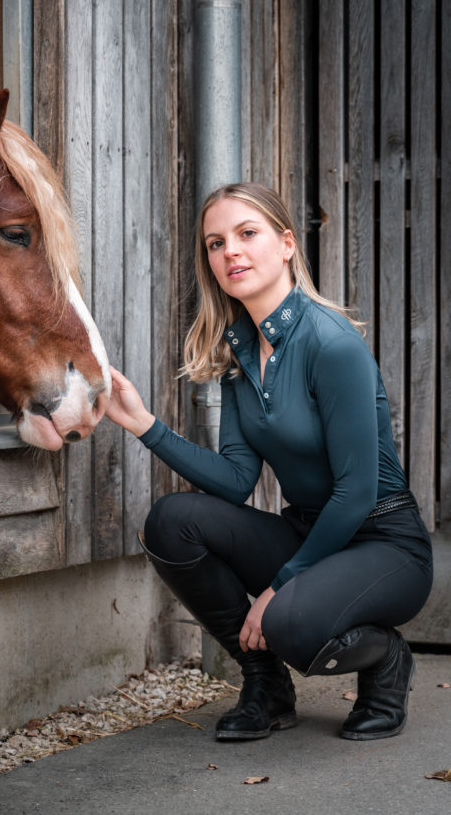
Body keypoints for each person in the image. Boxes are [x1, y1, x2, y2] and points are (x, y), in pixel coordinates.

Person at [105, 182, 433, 742]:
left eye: (246, 234)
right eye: (215, 243)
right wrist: (143, 425)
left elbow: (355, 492)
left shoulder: (331, 344)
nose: (229, 251)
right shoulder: (241, 352)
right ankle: (266, 685)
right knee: (170, 523)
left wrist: (281, 585)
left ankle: (386, 660)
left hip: (384, 542)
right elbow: (236, 481)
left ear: (285, 245)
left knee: (287, 621)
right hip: (311, 534)